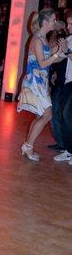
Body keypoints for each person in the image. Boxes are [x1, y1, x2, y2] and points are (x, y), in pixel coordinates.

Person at [17, 9, 64, 161]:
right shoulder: (37, 39)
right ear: (45, 22)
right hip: (34, 83)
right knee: (47, 115)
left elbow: (51, 58)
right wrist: (57, 54)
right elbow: (43, 63)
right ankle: (28, 146)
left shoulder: (43, 39)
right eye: (53, 20)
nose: (54, 22)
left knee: (40, 116)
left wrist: (62, 51)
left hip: (40, 83)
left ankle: (27, 146)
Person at [53, 15, 72, 164]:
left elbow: (67, 54)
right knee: (61, 114)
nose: (68, 27)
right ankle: (68, 150)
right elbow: (59, 57)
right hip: (67, 82)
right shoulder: (69, 38)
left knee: (67, 115)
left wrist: (66, 51)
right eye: (68, 24)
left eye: (71, 24)